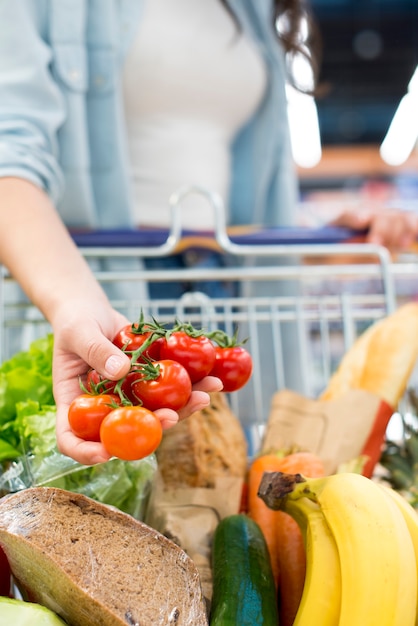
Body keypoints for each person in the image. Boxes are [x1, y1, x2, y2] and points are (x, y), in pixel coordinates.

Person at [0, 1, 417, 467]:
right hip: (86, 290)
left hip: (224, 292)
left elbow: (225, 178)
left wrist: (318, 240)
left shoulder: (254, 8)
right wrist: (75, 305)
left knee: (223, 505)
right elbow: (8, 160)